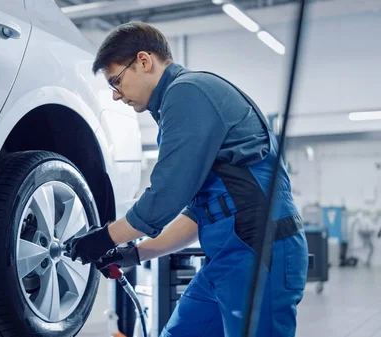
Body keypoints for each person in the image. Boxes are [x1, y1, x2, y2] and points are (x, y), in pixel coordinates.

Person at [68, 22, 309, 337]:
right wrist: (136, 252)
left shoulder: (188, 92)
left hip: (260, 252)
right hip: (226, 257)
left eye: (116, 81)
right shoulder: (177, 105)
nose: (115, 95)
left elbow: (165, 197)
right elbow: (203, 213)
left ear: (144, 61)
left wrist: (104, 237)